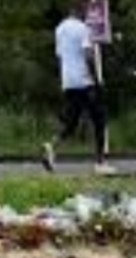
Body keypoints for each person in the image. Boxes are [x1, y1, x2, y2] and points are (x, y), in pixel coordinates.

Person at [43, 2, 113, 175]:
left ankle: (52, 146)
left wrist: (64, 80)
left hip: (68, 81)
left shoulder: (59, 29)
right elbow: (88, 55)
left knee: (72, 123)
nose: (87, 13)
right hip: (85, 81)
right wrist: (96, 80)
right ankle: (100, 163)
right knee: (100, 120)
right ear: (79, 9)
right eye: (85, 9)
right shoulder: (83, 29)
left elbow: (60, 56)